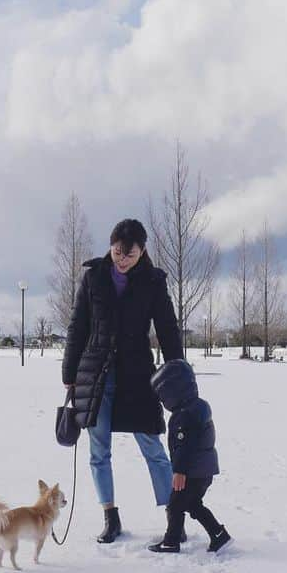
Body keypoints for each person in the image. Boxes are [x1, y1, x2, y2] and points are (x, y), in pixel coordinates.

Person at [62, 218, 184, 543]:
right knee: (98, 449)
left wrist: (178, 368)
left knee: (151, 444)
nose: (122, 259)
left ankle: (175, 517)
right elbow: (78, 327)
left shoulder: (154, 282)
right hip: (95, 373)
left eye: (130, 254)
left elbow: (168, 327)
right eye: (118, 252)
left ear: (142, 251)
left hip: (138, 374)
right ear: (111, 245)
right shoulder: (93, 278)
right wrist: (69, 373)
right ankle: (111, 516)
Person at [147, 359, 231, 554]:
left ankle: (171, 541)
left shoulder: (183, 416)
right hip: (204, 471)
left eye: (163, 396)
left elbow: (184, 447)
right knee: (193, 504)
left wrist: (179, 471)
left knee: (176, 506)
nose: (162, 401)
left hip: (190, 473)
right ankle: (218, 534)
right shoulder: (199, 406)